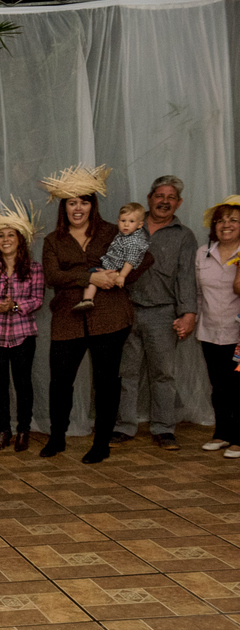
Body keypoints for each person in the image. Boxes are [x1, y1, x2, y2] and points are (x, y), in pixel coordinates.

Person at [39, 165, 149, 464]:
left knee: (107, 382)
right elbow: (52, 276)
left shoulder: (113, 231)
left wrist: (118, 277)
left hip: (109, 317)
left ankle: (102, 443)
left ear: (93, 205)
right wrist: (90, 278)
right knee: (60, 382)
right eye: (72, 202)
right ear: (64, 207)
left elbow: (143, 255)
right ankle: (57, 437)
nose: (78, 208)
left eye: (84, 202)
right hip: (68, 318)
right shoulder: (53, 240)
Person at [113, 176, 200, 450]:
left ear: (179, 203)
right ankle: (123, 426)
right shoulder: (129, 226)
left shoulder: (184, 235)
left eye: (171, 197)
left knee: (163, 374)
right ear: (149, 198)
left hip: (163, 313)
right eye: (159, 196)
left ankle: (164, 429)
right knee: (125, 372)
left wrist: (189, 313)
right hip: (126, 309)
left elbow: (186, 276)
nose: (164, 201)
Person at [0, 200, 46, 452]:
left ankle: (23, 431)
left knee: (23, 383)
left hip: (23, 334)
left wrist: (15, 306)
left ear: (20, 240)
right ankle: (3, 431)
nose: (5, 239)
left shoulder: (34, 268)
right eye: (1, 236)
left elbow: (37, 299)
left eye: (10, 235)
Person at [195, 195, 240, 458]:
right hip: (210, 331)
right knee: (219, 385)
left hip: (238, 334)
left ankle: (239, 438)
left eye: (233, 220)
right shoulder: (203, 252)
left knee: (238, 385)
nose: (226, 225)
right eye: (221, 220)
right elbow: (198, 294)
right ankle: (222, 433)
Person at [73, 202, 148, 311]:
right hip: (110, 265)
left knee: (92, 276)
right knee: (93, 276)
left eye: (131, 221)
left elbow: (130, 261)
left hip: (117, 270)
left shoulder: (134, 242)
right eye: (123, 221)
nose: (126, 225)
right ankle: (88, 300)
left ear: (140, 225)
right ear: (118, 221)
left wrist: (121, 276)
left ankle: (87, 299)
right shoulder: (123, 234)